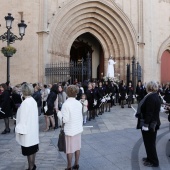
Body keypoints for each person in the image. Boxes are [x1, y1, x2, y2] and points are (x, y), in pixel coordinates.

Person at [57, 85, 83, 170]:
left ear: (67, 93)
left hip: (70, 130)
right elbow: (80, 116)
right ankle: (76, 164)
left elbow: (65, 120)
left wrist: (58, 113)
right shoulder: (78, 103)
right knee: (77, 147)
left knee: (69, 149)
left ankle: (69, 166)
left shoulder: (66, 104)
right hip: (77, 128)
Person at [136, 81, 161, 167]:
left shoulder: (151, 97)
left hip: (150, 124)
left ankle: (154, 162)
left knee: (150, 143)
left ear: (149, 87)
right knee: (148, 143)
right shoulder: (154, 95)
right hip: (151, 123)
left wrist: (146, 125)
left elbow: (149, 113)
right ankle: (149, 158)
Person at [15, 83, 39, 170]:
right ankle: (33, 165)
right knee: (33, 149)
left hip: (27, 129)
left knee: (29, 149)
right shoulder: (32, 100)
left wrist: (19, 129)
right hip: (32, 128)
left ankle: (31, 167)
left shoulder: (25, 103)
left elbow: (23, 118)